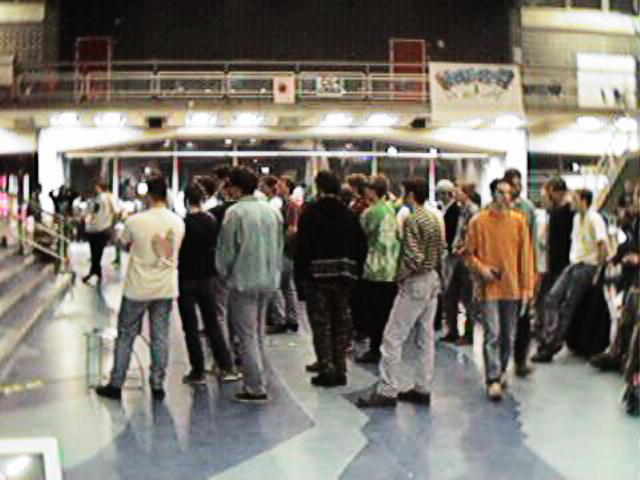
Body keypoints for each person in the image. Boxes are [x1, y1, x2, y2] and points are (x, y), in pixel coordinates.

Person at [96, 175, 185, 400]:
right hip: (165, 288)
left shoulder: (136, 221)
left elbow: (122, 242)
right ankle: (158, 385)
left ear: (148, 195)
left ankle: (116, 384)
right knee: (160, 336)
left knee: (126, 335)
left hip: (137, 288)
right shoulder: (178, 222)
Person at [357, 178, 445, 408]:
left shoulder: (413, 220)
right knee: (425, 338)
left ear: (411, 194)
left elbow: (414, 257)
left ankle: (387, 390)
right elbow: (440, 252)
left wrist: (401, 276)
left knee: (392, 337)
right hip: (432, 280)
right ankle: (422, 387)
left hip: (415, 282)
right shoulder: (433, 217)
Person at [216, 166, 283, 404]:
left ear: (235, 188)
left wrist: (223, 273)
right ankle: (262, 377)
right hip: (269, 280)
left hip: (243, 281)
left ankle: (255, 387)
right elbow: (279, 247)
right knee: (257, 333)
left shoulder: (235, 213)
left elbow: (226, 251)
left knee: (246, 336)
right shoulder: (272, 211)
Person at [294, 171, 367, 387]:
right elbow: (361, 247)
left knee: (321, 324)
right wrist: (355, 272)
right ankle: (341, 368)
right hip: (344, 277)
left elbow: (302, 248)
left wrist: (300, 278)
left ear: (319, 188)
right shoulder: (349, 214)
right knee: (341, 323)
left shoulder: (310, 213)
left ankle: (327, 368)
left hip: (316, 278)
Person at [465, 178, 535, 401]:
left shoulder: (519, 222)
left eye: (508, 193)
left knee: (508, 335)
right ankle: (492, 378)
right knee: (492, 334)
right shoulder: (478, 222)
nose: (505, 197)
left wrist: (527, 288)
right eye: (501, 192)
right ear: (493, 194)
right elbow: (468, 254)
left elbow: (526, 258)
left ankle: (502, 369)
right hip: (489, 289)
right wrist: (482, 269)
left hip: (512, 289)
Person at [532, 189, 609, 363]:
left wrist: (599, 271)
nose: (571, 202)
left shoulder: (594, 218)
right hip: (574, 264)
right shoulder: (576, 219)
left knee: (567, 306)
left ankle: (552, 345)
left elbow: (602, 245)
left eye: (575, 199)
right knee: (551, 298)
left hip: (587, 266)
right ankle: (547, 336)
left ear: (583, 201)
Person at [177, 182, 240, 384]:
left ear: (186, 200)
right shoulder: (211, 221)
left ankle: (198, 371)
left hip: (185, 278)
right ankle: (225, 366)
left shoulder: (183, 223)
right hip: (207, 278)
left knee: (190, 327)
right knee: (212, 324)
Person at [356, 174, 401, 364]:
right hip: (392, 267)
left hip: (374, 268)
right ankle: (384, 347)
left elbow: (361, 237)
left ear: (372, 190)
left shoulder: (370, 213)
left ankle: (375, 349)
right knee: (386, 312)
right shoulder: (391, 209)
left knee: (374, 313)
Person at [503, 168, 538, 377]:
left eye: (520, 184)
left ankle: (520, 361)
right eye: (514, 184)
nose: (519, 188)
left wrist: (534, 271)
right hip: (502, 272)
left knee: (524, 319)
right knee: (501, 320)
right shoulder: (496, 208)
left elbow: (533, 241)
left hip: (522, 270)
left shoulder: (528, 208)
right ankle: (499, 365)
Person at [442, 182, 480, 346]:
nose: (455, 193)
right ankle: (452, 330)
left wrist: (464, 248)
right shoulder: (461, 209)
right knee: (450, 294)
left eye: (458, 190)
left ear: (466, 193)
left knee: (467, 297)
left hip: (466, 259)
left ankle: (468, 333)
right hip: (456, 257)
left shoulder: (473, 211)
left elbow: (473, 235)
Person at [83, 181, 116, 285]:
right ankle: (95, 273)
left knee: (95, 253)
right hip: (105, 228)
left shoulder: (99, 198)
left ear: (98, 187)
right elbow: (116, 211)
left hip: (95, 229)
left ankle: (95, 274)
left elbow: (93, 211)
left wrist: (88, 219)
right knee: (98, 253)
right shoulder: (111, 198)